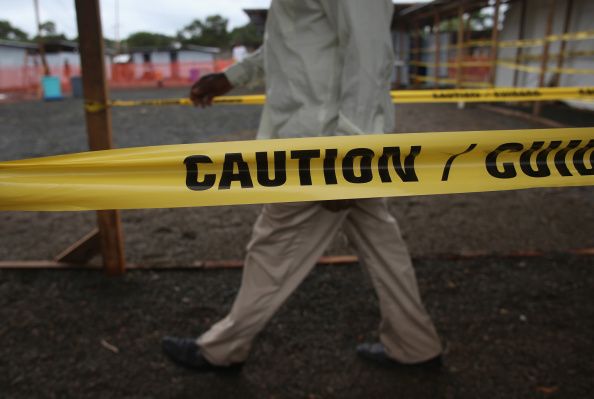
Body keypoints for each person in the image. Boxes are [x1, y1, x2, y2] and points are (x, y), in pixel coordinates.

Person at [162, 0, 443, 372]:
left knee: (274, 245)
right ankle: (415, 344)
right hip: (326, 139)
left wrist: (347, 159)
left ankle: (221, 349)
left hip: (322, 147)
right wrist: (234, 76)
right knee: (382, 244)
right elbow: (296, 39)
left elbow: (369, 55)